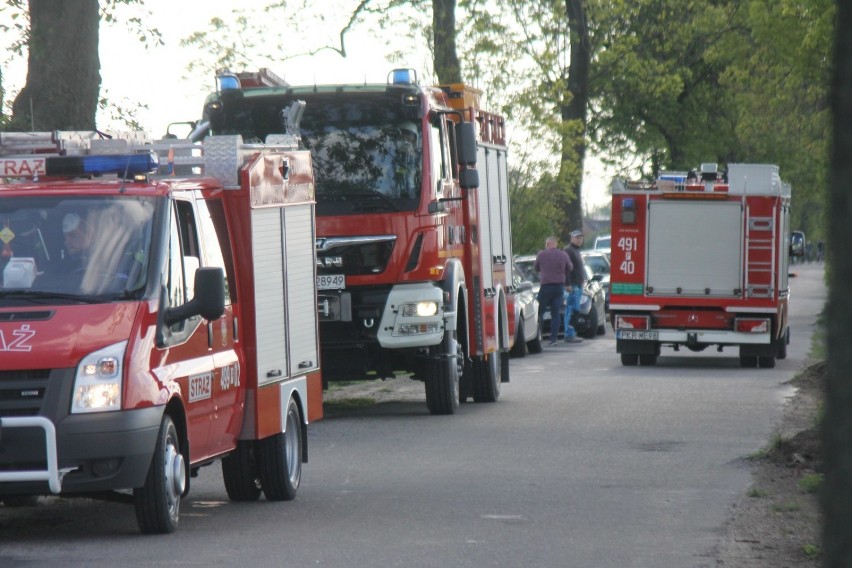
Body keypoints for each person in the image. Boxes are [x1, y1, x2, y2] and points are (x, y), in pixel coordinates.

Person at [534, 236, 572, 345]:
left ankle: (538, 335)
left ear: (547, 244)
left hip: (545, 287)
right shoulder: (563, 254)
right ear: (556, 244)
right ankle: (553, 338)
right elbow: (570, 267)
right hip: (559, 287)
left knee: (539, 312)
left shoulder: (541, 254)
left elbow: (536, 268)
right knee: (555, 313)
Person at [562, 229, 586, 343]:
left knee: (572, 309)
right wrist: (567, 284)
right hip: (572, 285)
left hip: (578, 284)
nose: (579, 240)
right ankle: (569, 334)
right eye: (577, 237)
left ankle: (570, 332)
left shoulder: (576, 250)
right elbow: (565, 269)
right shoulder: (568, 250)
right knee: (573, 310)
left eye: (581, 238)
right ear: (571, 238)